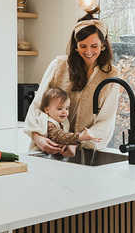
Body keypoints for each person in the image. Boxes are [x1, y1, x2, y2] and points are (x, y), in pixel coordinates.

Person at [23, 14, 121, 156]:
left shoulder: (111, 75)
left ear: (103, 45)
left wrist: (77, 142)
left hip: (81, 152)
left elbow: (105, 121)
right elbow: (37, 105)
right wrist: (37, 137)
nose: (88, 52)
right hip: (45, 147)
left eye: (94, 46)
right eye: (82, 46)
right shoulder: (59, 65)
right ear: (76, 46)